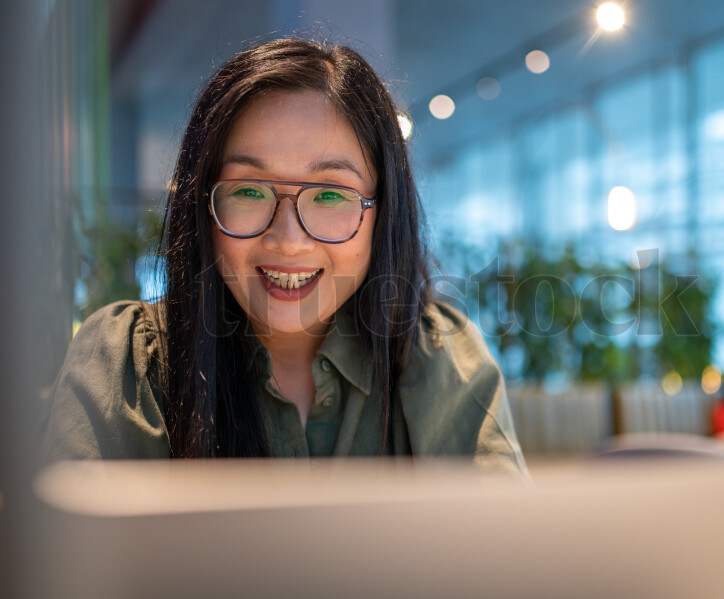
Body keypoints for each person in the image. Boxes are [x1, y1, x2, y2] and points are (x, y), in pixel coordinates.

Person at [40, 38, 527, 477]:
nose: (288, 240)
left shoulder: (439, 357)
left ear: (384, 214)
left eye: (332, 195)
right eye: (249, 190)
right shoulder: (127, 366)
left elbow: (506, 563)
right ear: (203, 207)